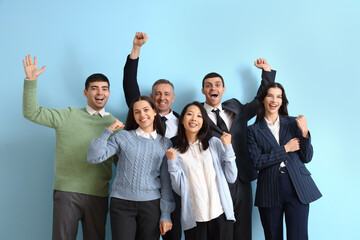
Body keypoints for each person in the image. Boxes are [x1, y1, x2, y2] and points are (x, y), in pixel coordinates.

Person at [22, 54, 119, 240]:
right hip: (67, 192)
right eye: (94, 88)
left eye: (104, 89)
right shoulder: (68, 115)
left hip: (99, 194)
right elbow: (31, 112)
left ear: (109, 92)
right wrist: (31, 80)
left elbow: (122, 163)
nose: (100, 93)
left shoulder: (114, 124)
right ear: (85, 93)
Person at [201, 58, 276, 240]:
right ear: (203, 90)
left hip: (242, 177)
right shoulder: (196, 114)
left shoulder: (235, 107)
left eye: (218, 85)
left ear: (223, 90)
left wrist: (266, 73)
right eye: (209, 85)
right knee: (219, 229)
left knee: (242, 229)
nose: (213, 88)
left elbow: (260, 101)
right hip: (214, 178)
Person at [87, 96, 175, 240]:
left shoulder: (165, 144)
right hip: (121, 204)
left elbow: (166, 183)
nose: (142, 115)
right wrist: (107, 132)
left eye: (146, 110)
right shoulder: (123, 137)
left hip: (151, 205)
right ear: (133, 116)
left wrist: (166, 215)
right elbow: (93, 157)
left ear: (154, 112)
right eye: (137, 112)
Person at [123, 32, 182, 240]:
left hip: (174, 189)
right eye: (157, 93)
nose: (162, 97)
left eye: (166, 94)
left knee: (173, 237)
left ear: (173, 97)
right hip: (144, 192)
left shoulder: (185, 122)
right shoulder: (142, 114)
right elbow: (129, 82)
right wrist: (136, 50)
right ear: (151, 96)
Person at [247, 82, 322, 240]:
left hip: (297, 187)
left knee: (299, 236)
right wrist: (285, 149)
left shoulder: (294, 123)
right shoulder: (253, 130)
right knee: (273, 236)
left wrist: (305, 133)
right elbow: (257, 163)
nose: (274, 100)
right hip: (269, 189)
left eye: (279, 97)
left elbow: (306, 157)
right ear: (263, 100)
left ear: (282, 101)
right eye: (270, 95)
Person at [166, 101, 237, 240]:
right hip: (195, 219)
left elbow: (231, 176)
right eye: (189, 114)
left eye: (199, 116)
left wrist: (228, 147)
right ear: (182, 120)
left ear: (203, 121)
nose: (194, 119)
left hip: (220, 213)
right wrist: (172, 164)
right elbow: (179, 189)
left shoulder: (214, 144)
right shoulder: (175, 153)